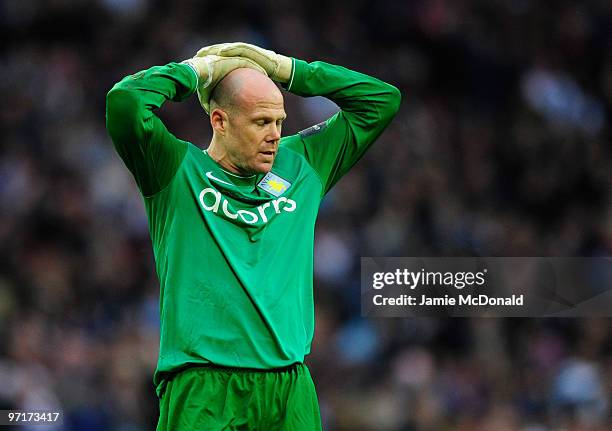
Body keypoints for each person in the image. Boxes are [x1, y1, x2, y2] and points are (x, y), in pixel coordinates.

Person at [106, 42, 400, 430]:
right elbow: (125, 103)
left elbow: (382, 100)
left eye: (279, 122)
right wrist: (196, 72)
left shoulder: (303, 165)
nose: (275, 135)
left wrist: (289, 70)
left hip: (288, 388)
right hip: (203, 385)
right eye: (262, 122)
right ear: (219, 121)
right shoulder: (174, 171)